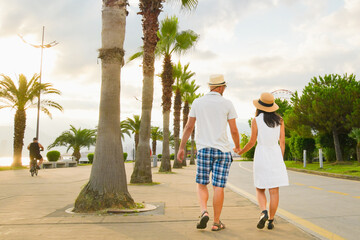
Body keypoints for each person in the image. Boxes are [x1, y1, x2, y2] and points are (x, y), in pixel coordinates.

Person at [177, 74, 240, 231]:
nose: (224, 89)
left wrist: (181, 147)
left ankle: (204, 211)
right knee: (218, 187)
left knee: (201, 184)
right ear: (219, 87)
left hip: (204, 150)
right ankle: (216, 222)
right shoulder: (227, 104)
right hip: (223, 151)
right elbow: (233, 129)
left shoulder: (198, 103)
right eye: (224, 86)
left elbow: (189, 126)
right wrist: (237, 146)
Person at [235, 92, 289, 230]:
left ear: (259, 106)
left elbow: (252, 142)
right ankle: (271, 220)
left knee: (260, 187)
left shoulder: (256, 120)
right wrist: (280, 158)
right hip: (276, 155)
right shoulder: (280, 120)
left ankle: (263, 211)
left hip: (262, 155)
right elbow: (282, 141)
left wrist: (241, 151)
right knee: (274, 191)